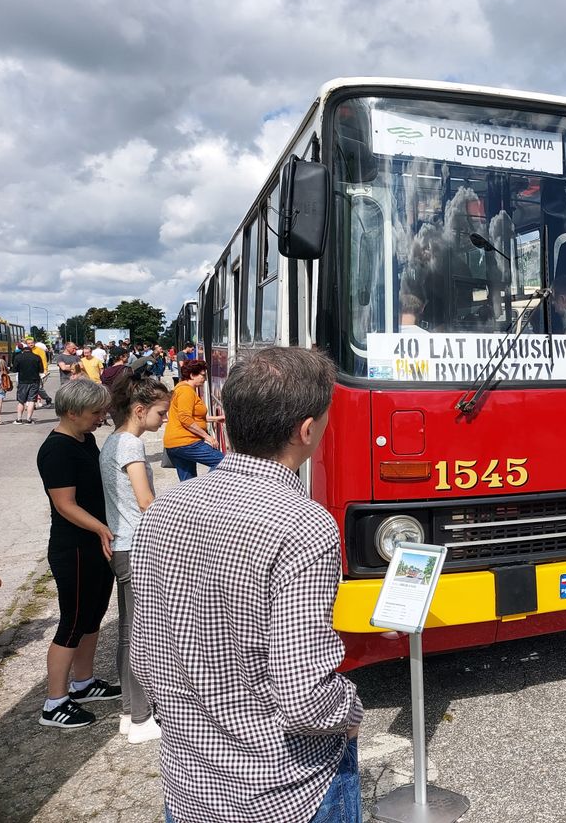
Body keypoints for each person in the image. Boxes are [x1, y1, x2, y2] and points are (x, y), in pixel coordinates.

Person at [131, 347, 363, 823]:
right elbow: (304, 697)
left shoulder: (165, 510)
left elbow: (144, 655)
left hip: (190, 785)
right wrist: (350, 710)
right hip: (288, 790)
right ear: (306, 430)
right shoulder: (302, 523)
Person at [36, 379, 121, 729]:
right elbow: (65, 505)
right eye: (96, 412)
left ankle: (83, 683)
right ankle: (54, 702)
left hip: (95, 544)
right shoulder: (57, 449)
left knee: (93, 615)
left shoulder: (84, 439)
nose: (101, 418)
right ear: (72, 411)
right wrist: (101, 528)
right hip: (74, 547)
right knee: (72, 622)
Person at [99, 371, 171, 744]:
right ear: (139, 410)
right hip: (136, 545)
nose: (164, 421)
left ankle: (131, 712)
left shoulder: (113, 441)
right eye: (161, 413)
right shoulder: (131, 446)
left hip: (122, 545)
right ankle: (142, 718)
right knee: (141, 634)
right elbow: (146, 501)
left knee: (128, 633)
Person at [163, 359, 225, 480]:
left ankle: (193, 495)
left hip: (175, 444)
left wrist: (216, 419)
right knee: (223, 463)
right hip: (186, 442)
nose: (205, 379)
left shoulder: (180, 389)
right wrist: (208, 437)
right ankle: (205, 488)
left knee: (187, 482)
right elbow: (185, 418)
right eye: (203, 375)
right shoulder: (186, 391)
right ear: (192, 375)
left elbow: (193, 417)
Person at [12, 341, 44, 424]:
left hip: (22, 381)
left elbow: (14, 370)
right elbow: (41, 370)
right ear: (31, 350)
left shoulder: (18, 357)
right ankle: (29, 420)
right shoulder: (37, 357)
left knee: (21, 401)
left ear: (23, 350)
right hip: (34, 381)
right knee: (32, 400)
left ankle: (19, 419)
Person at [25, 336, 54, 407]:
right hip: (27, 372)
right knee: (29, 388)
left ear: (34, 343)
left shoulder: (39, 350)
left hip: (38, 372)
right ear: (26, 344)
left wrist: (45, 370)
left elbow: (44, 360)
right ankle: (32, 404)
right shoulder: (25, 351)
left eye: (32, 343)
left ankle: (47, 398)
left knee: (38, 388)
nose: (31, 344)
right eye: (29, 343)